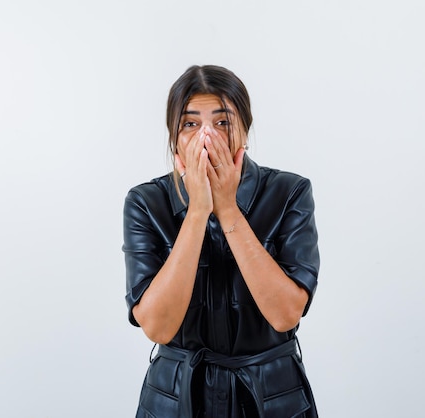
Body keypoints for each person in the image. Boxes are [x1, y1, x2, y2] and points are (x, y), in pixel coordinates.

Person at [123, 65, 320, 418]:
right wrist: (198, 211)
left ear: (245, 129)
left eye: (223, 122)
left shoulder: (290, 192)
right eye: (190, 124)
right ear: (174, 137)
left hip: (272, 396)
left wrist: (228, 209)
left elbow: (285, 315)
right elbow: (157, 326)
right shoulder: (145, 202)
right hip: (175, 398)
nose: (206, 137)